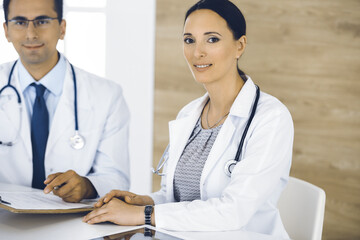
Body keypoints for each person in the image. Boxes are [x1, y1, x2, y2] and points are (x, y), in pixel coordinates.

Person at [83, 0, 293, 238]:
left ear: (239, 46)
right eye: (189, 40)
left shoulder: (270, 118)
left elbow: (234, 212)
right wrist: (144, 201)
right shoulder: (189, 114)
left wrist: (145, 215)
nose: (197, 52)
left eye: (212, 39)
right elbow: (177, 198)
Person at [0, 0, 130, 203]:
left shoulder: (107, 95)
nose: (31, 33)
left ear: (62, 28)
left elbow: (117, 177)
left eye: (42, 21)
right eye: (20, 22)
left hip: (73, 222)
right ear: (6, 30)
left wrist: (87, 186)